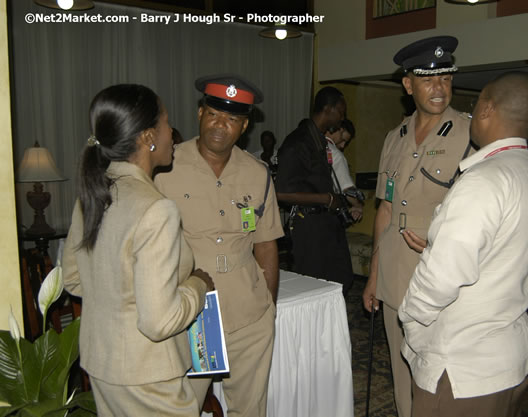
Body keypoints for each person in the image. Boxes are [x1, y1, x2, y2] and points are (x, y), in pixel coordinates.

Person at [399, 71, 528, 417]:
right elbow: (504, 252)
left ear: (486, 109)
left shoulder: (483, 180)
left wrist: (410, 321)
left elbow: (441, 280)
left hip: (463, 368)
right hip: (509, 354)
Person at [62, 84, 214, 416]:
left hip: (103, 364)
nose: (173, 133)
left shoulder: (92, 195)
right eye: (166, 123)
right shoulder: (156, 209)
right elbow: (159, 321)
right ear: (148, 137)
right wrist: (198, 286)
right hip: (148, 374)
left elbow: (73, 280)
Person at [154, 74, 283, 417]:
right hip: (189, 313)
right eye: (213, 114)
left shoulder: (257, 173)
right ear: (199, 113)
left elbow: (266, 244)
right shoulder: (165, 167)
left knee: (250, 408)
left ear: (244, 126)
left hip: (248, 314)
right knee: (182, 408)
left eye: (231, 119)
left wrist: (268, 306)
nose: (219, 125)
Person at [361, 35, 474, 417]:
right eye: (428, 79)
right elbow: (386, 210)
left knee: (439, 376)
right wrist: (374, 276)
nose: (439, 87)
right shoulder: (394, 138)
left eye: (445, 77)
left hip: (439, 279)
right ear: (408, 85)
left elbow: (480, 214)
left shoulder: (470, 136)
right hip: (395, 276)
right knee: (400, 369)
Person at [275, 87, 354, 294]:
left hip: (327, 224)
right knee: (314, 288)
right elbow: (280, 192)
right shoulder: (298, 142)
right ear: (329, 109)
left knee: (340, 280)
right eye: (341, 112)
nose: (343, 118)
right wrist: (326, 199)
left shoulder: (317, 140)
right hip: (309, 227)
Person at [324, 120, 363, 221]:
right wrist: (358, 205)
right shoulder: (335, 154)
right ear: (340, 130)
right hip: (325, 216)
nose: (342, 146)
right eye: (342, 139)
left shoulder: (308, 146)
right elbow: (348, 190)